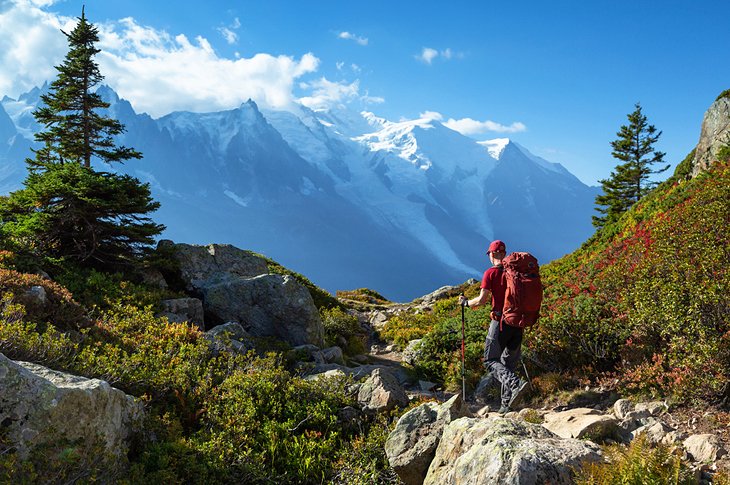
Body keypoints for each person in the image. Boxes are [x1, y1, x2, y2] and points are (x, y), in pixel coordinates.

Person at [459, 239, 529, 413]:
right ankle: (507, 405)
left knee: (490, 360)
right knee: (509, 363)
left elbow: (482, 301)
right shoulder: (515, 271)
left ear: (491, 254)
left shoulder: (491, 273)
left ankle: (515, 384)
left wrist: (466, 303)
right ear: (504, 254)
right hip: (517, 322)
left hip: (500, 323)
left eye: (490, 254)